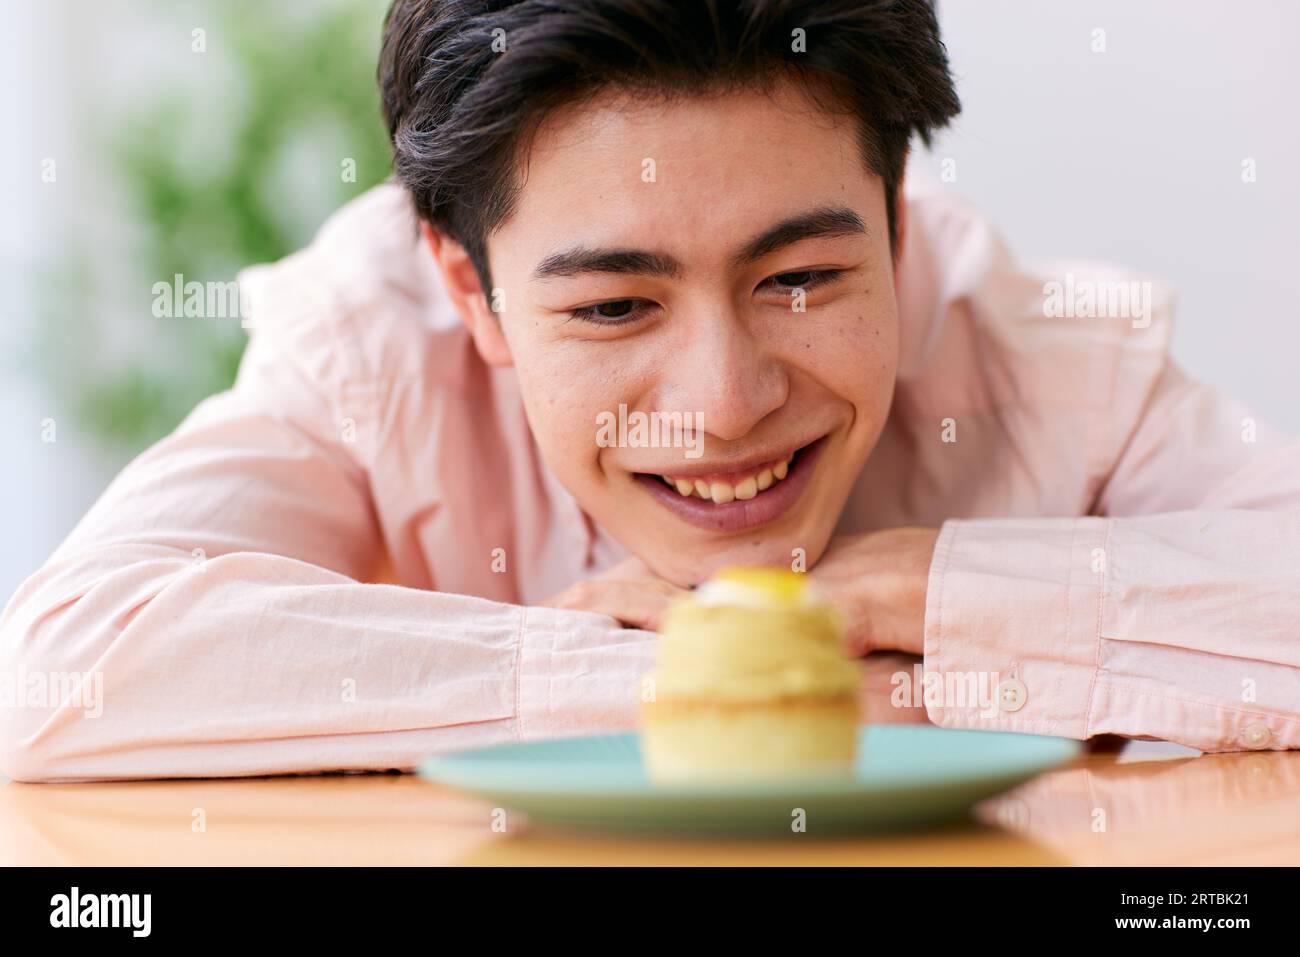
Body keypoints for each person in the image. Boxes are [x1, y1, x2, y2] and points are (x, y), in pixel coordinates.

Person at [2, 0, 1297, 782]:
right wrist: (687, 683)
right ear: (468, 288)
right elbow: (61, 671)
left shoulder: (1038, 352)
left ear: (902, 226)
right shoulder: (369, 348)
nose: (725, 401)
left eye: (797, 277)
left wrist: (929, 596)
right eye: (615, 304)